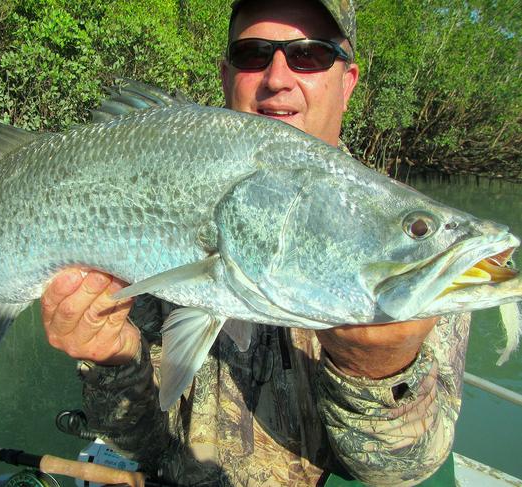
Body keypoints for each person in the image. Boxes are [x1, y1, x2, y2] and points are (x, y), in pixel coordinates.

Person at [41, 0, 470, 485]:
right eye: (253, 54)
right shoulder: (155, 175)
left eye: (309, 55)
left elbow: (399, 472)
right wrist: (111, 363)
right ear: (227, 76)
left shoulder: (399, 235)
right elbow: (138, 442)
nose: (278, 77)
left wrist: (377, 370)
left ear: (347, 82)